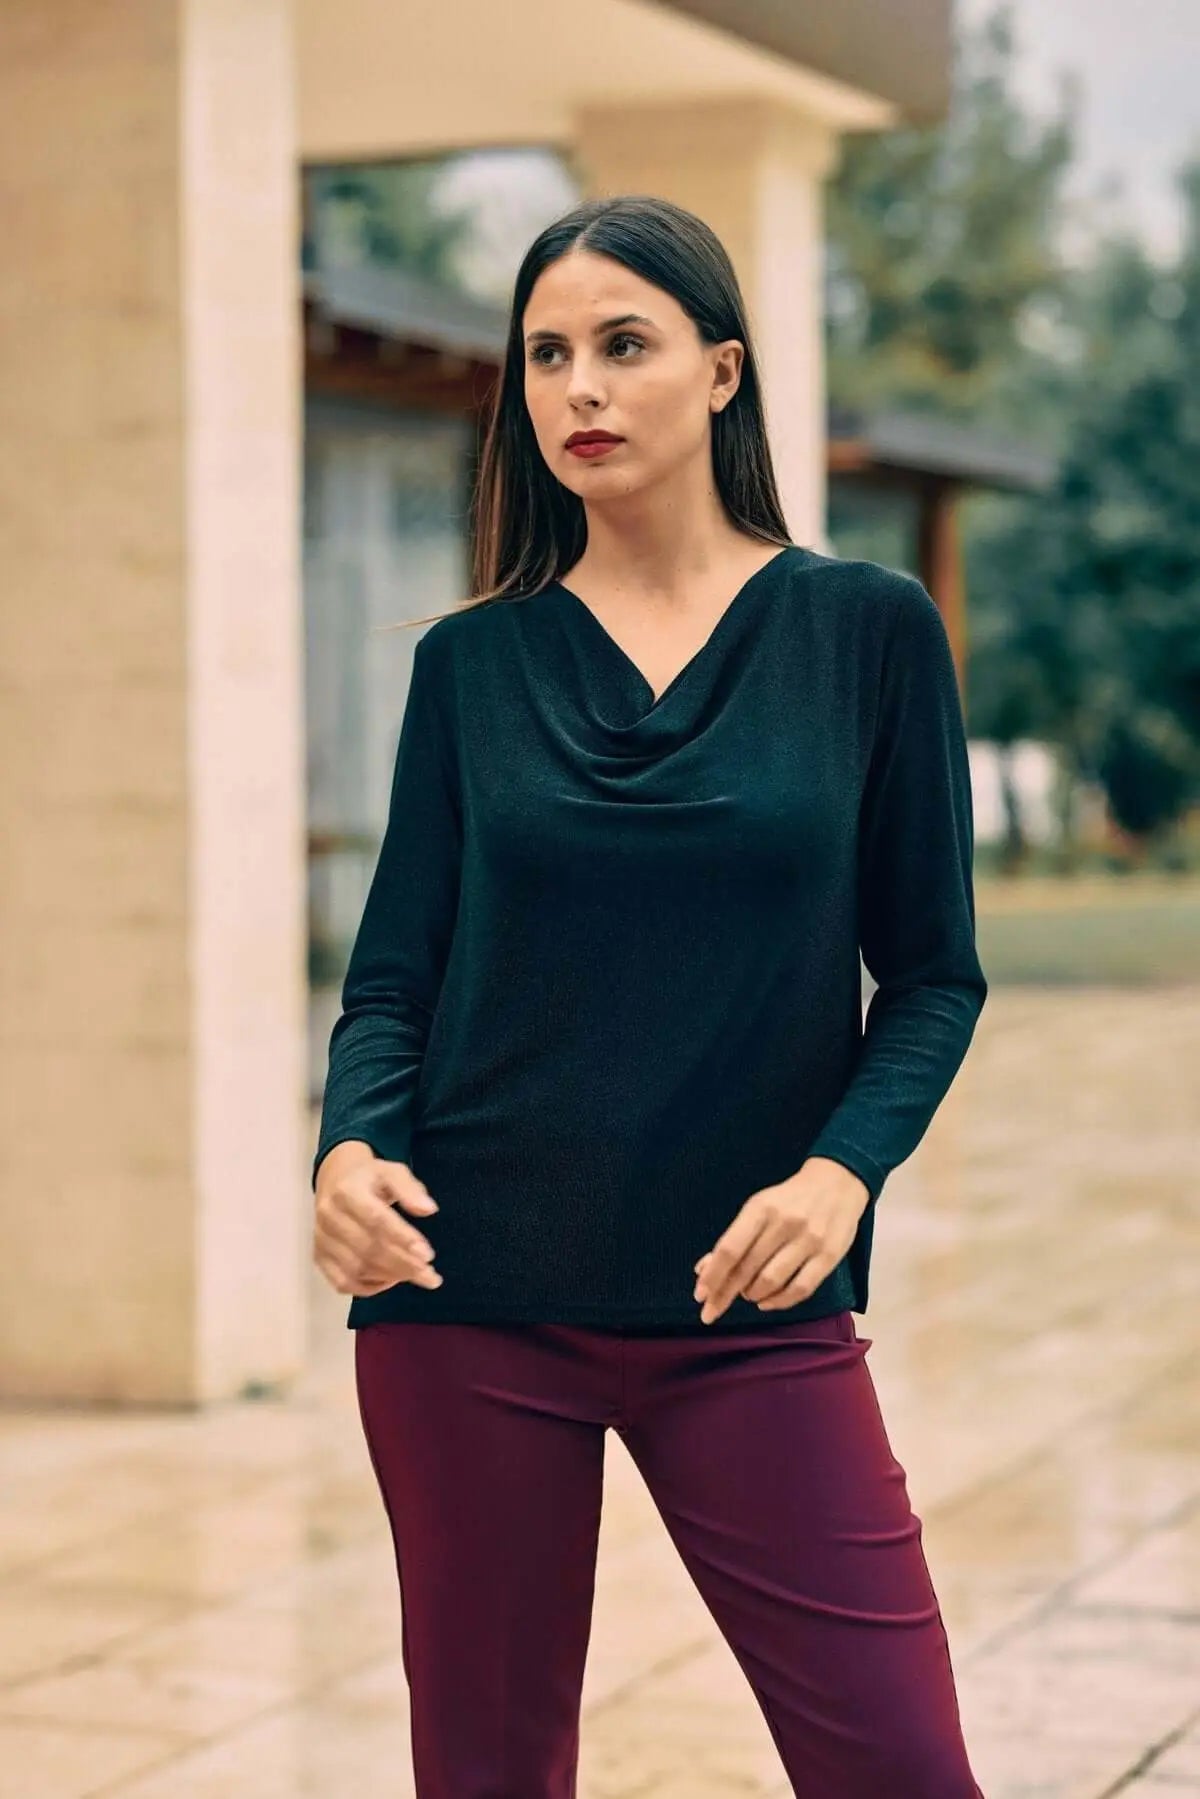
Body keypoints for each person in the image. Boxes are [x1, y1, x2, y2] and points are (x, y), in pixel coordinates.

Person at [311, 193, 989, 1798]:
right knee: (488, 1774)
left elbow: (934, 976)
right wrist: (347, 1149)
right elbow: (393, 978)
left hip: (748, 1304)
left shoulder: (867, 635)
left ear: (723, 372)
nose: (580, 390)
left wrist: (840, 1174)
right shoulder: (470, 666)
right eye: (547, 355)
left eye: (624, 345)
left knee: (900, 1764)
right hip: (467, 1295)